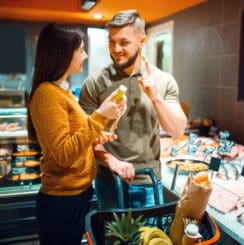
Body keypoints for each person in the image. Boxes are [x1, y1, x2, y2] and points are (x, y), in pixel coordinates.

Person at [27, 23, 127, 245]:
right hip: (61, 201)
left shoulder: (62, 89)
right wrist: (100, 116)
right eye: (81, 50)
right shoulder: (46, 94)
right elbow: (63, 153)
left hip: (76, 195)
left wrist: (98, 135)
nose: (86, 55)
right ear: (63, 54)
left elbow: (74, 138)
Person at [79, 9, 187, 209]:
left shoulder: (163, 81)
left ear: (142, 40)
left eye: (124, 42)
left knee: (151, 239)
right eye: (111, 41)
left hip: (149, 183)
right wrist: (110, 160)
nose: (116, 49)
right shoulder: (94, 82)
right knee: (113, 240)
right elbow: (82, 137)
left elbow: (177, 130)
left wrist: (155, 96)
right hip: (109, 182)